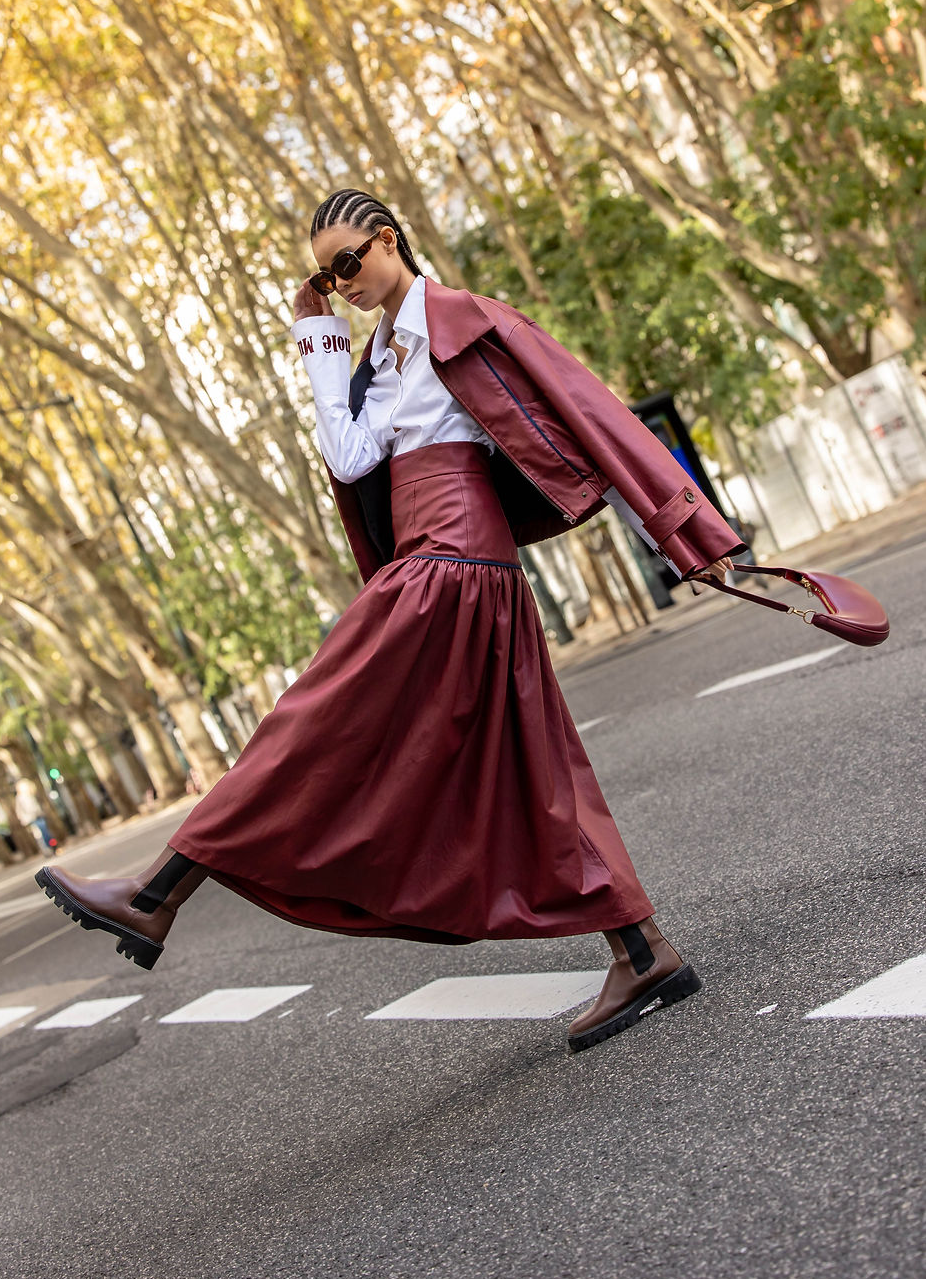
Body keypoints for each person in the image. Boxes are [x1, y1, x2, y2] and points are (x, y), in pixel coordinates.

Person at [37, 189, 736, 1054]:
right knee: (536, 766)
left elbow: (590, 412)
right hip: (448, 571)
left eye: (349, 264)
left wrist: (684, 536)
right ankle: (645, 952)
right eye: (327, 274)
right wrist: (320, 340)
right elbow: (349, 455)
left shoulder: (459, 317)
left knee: (311, 724)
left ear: (388, 241)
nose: (343, 282)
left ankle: (153, 896)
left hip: (451, 569)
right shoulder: (380, 355)